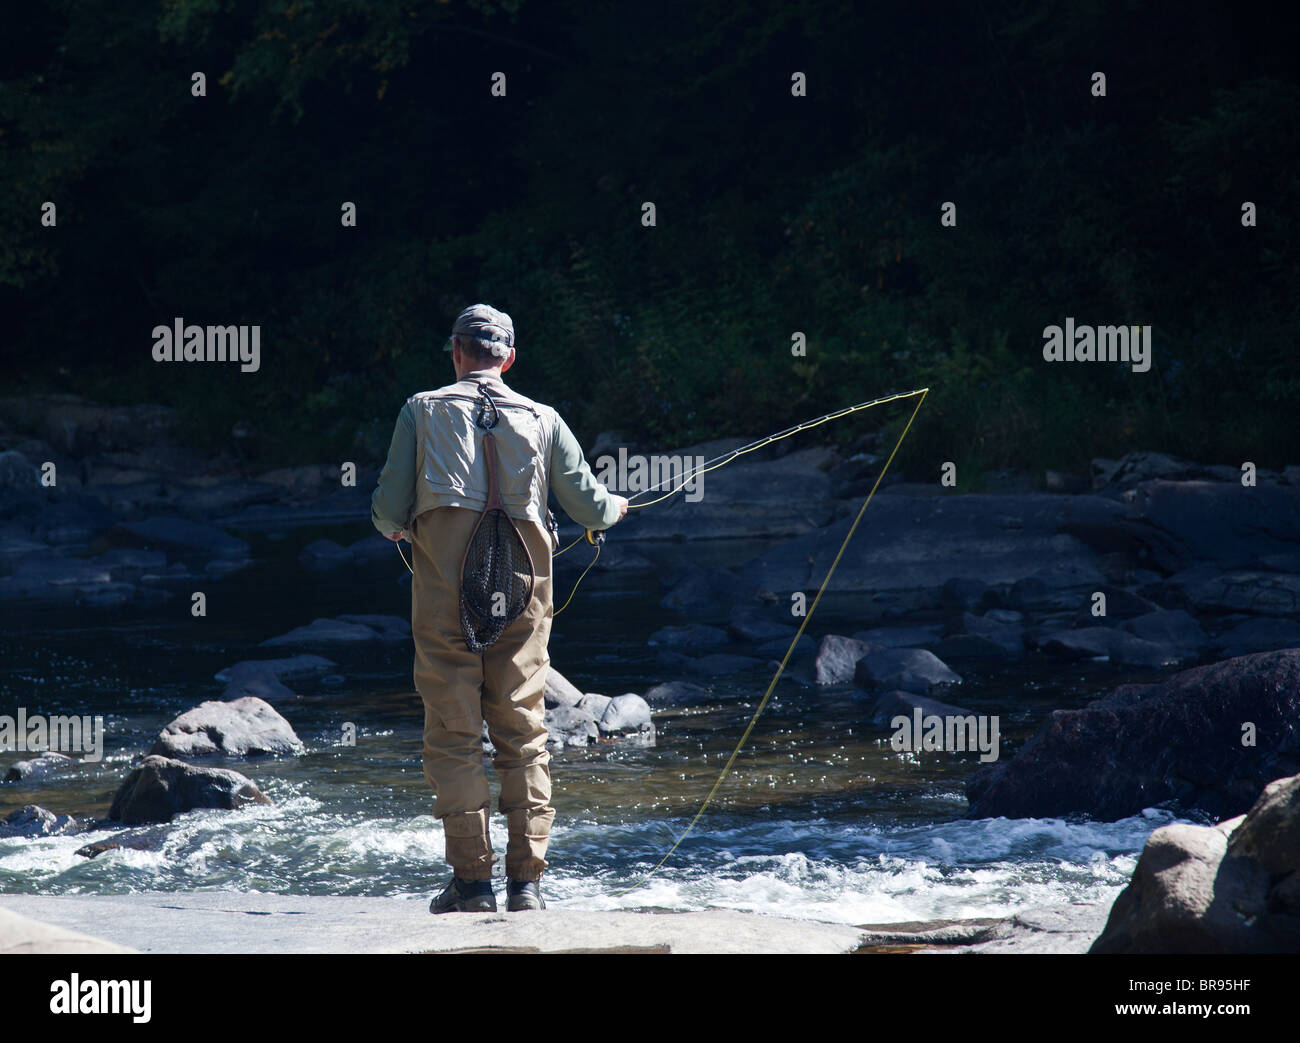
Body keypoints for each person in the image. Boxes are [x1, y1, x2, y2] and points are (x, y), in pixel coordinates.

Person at [370, 303, 627, 913]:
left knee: (454, 734)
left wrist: (401, 527)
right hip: (524, 599)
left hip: (442, 602)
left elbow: (385, 510)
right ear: (508, 358)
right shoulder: (545, 418)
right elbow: (590, 508)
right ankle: (528, 885)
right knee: (522, 732)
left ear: (457, 352)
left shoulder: (421, 409)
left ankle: (472, 885)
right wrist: (613, 509)